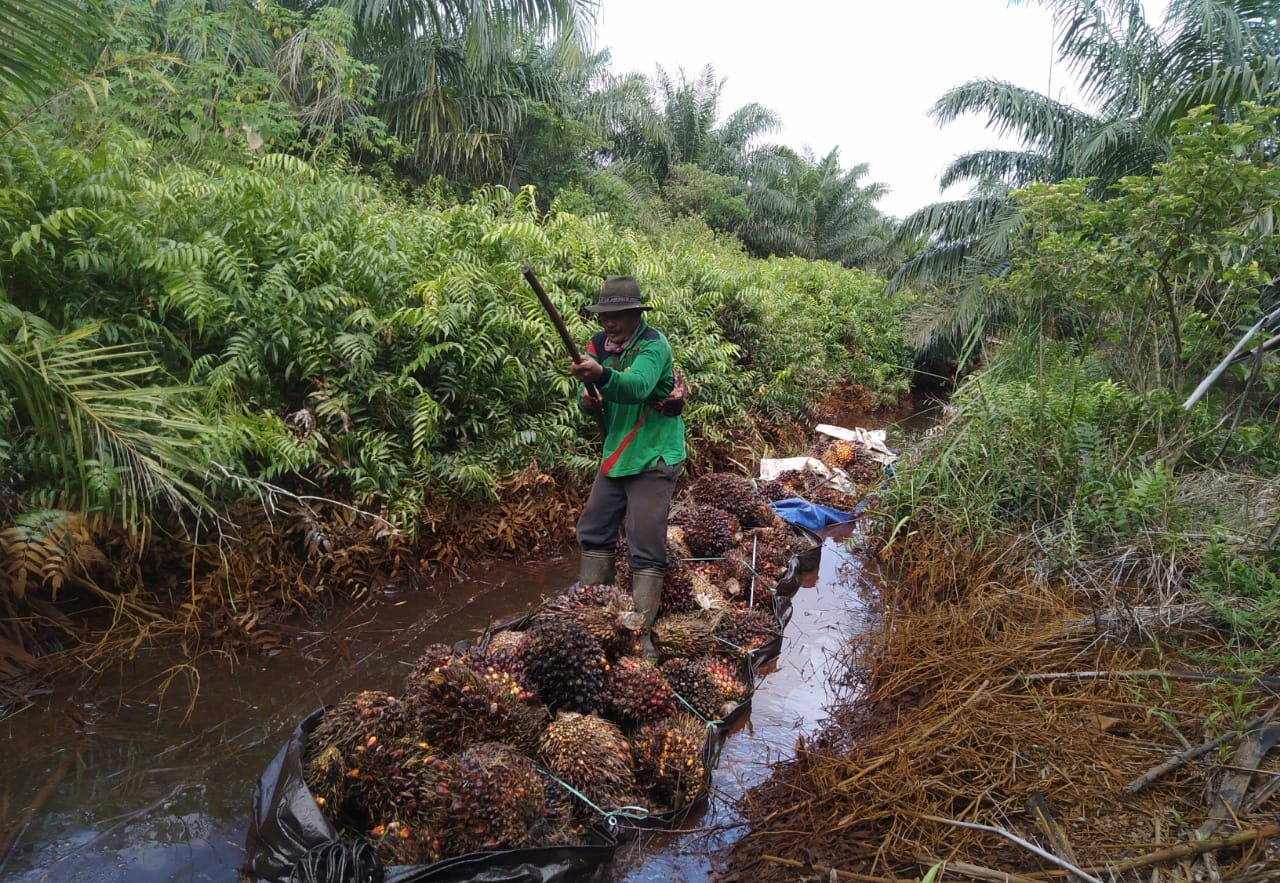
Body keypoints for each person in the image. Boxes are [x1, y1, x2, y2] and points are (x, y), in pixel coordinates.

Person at [570, 275, 686, 658]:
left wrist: (601, 375)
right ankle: (592, 615)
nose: (610, 324)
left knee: (645, 541)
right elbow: (587, 393)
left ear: (636, 314)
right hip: (618, 450)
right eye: (605, 316)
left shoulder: (654, 345)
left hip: (653, 453)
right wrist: (587, 397)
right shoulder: (598, 344)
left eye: (618, 315)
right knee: (594, 528)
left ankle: (642, 635)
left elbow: (636, 386)